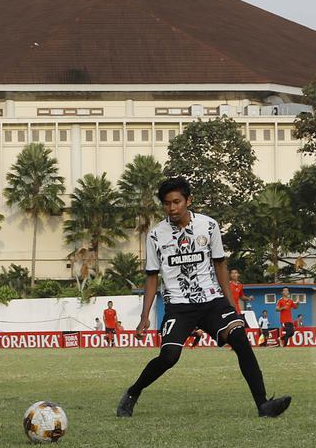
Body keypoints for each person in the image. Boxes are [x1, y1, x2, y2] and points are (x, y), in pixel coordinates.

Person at [116, 177, 291, 419]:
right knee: (169, 357)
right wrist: (145, 316)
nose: (172, 208)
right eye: (167, 203)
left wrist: (231, 304)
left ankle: (263, 405)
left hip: (211, 301)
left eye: (177, 202)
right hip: (178, 306)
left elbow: (220, 264)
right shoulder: (156, 235)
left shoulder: (209, 226)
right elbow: (152, 277)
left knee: (239, 338)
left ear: (188, 200)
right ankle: (133, 393)